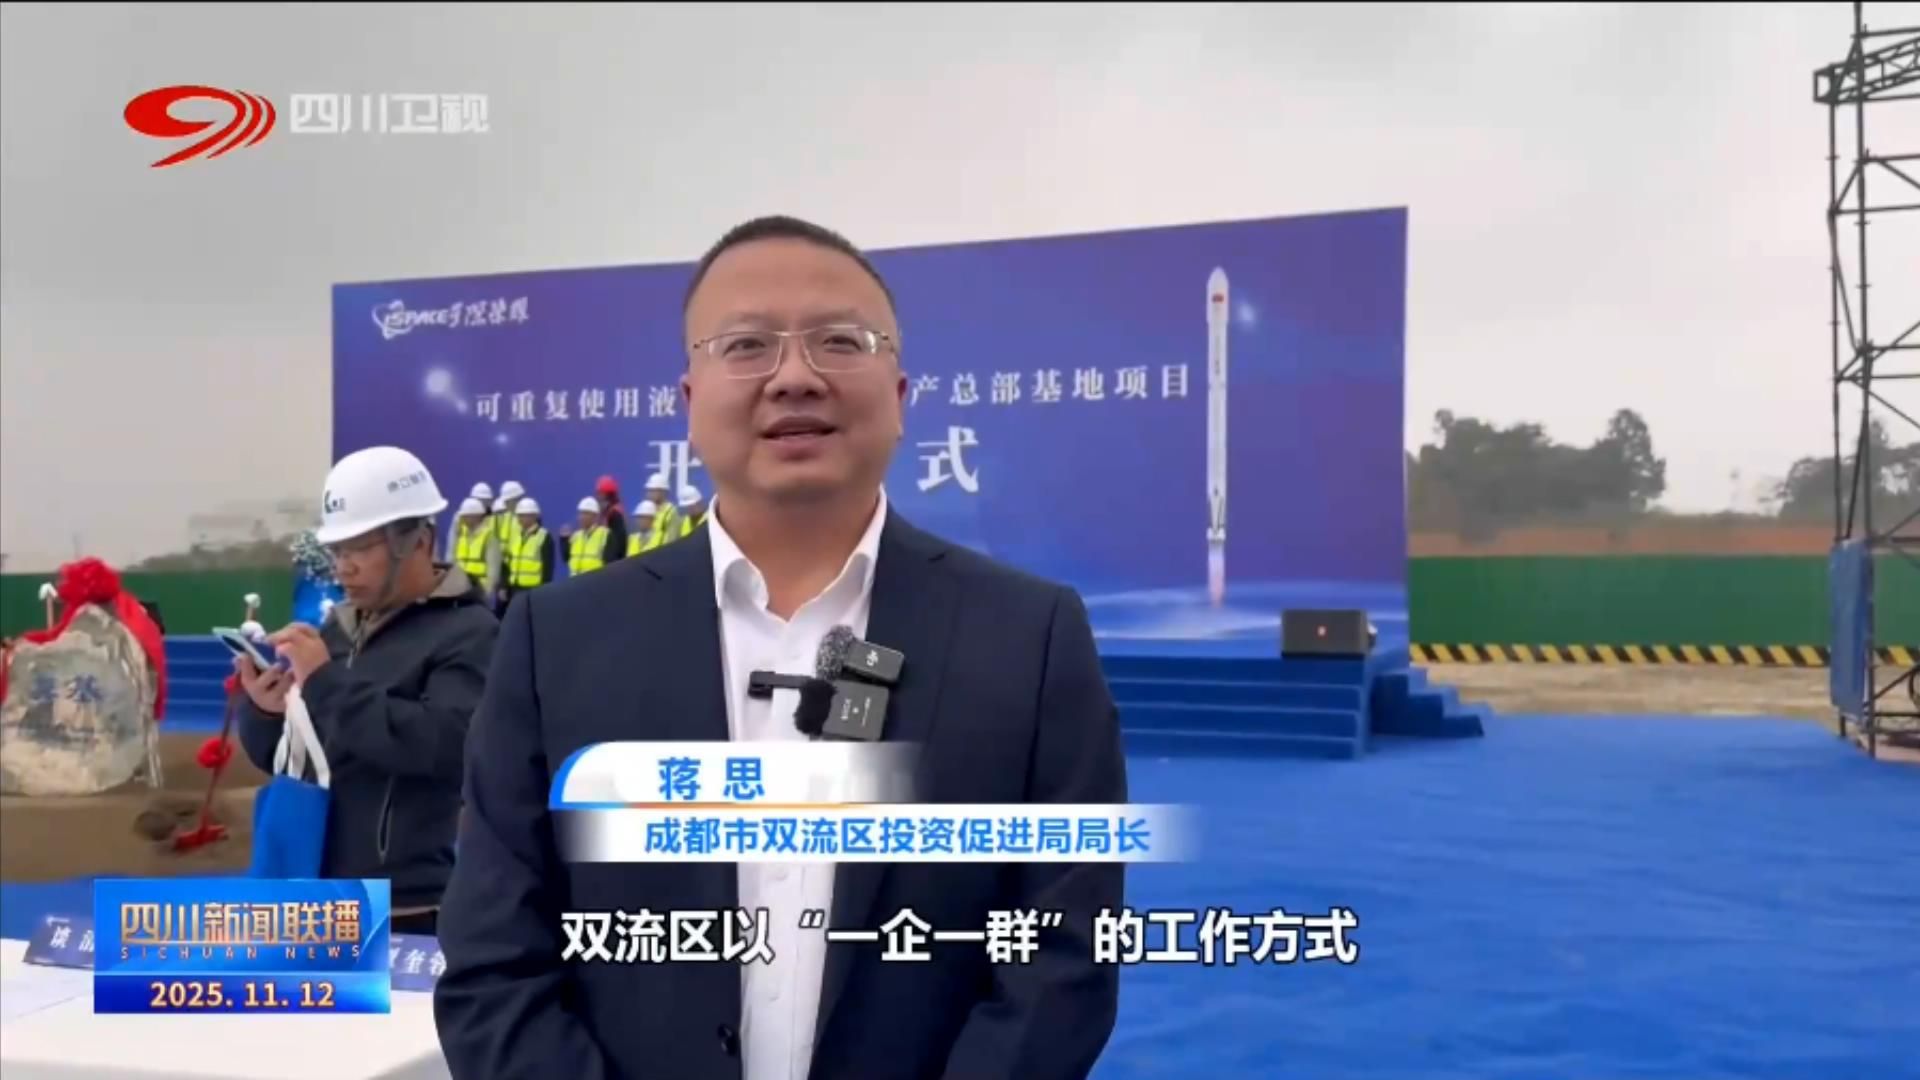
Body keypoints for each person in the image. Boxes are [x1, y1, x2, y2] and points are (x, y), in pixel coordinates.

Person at [435, 216, 1126, 1080]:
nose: (795, 376)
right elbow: (495, 963)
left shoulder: (1030, 637)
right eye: (746, 345)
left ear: (901, 395)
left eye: (839, 341)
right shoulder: (556, 643)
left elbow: (1063, 960)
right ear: (689, 402)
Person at [233, 446, 497, 936]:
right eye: (337, 551)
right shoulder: (337, 632)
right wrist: (268, 713)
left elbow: (447, 747)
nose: (343, 568)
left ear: (418, 541)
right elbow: (292, 760)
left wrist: (325, 684)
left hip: (403, 908)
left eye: (359, 548)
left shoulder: (469, 633)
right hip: (308, 895)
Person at [504, 497, 555, 604]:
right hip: (514, 588)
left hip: (534, 589)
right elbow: (508, 562)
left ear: (534, 516)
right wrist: (504, 586)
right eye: (519, 515)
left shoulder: (544, 536)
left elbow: (548, 567)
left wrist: (544, 590)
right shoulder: (515, 535)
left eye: (524, 515)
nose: (520, 519)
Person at [567, 497, 610, 576]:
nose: (581, 517)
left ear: (595, 516)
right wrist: (563, 541)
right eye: (580, 513)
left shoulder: (605, 535)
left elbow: (610, 565)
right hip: (575, 581)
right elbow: (567, 558)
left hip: (595, 582)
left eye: (585, 513)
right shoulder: (576, 536)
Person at [593, 475, 630, 565]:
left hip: (612, 562)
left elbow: (619, 541)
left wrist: (612, 561)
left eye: (600, 493)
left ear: (607, 495)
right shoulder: (606, 512)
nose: (597, 496)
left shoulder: (615, 514)